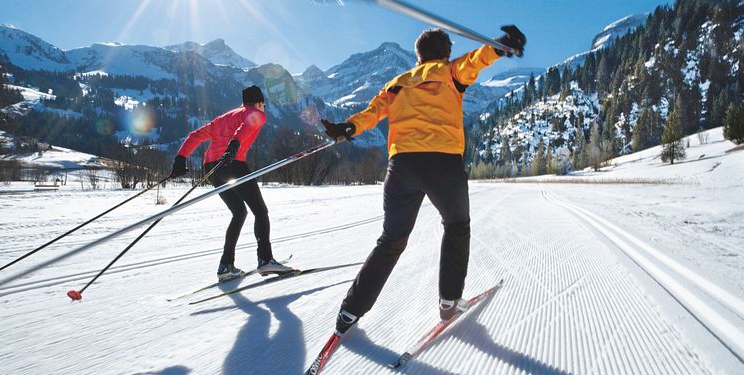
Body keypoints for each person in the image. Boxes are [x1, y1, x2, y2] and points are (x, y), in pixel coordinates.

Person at [320, 26, 526, 333]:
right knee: (457, 227)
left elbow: (371, 114)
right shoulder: (451, 72)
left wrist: (346, 128)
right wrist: (502, 46)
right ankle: (449, 302)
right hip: (443, 163)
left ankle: (350, 312)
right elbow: (477, 60)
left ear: (418, 56)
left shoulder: (397, 84)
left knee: (391, 240)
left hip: (402, 165)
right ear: (445, 53)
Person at [170, 85, 294, 281]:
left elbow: (195, 135)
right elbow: (246, 127)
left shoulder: (225, 117)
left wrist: (180, 158)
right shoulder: (257, 113)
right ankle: (265, 260)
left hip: (211, 167)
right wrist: (234, 145)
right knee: (260, 212)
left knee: (239, 212)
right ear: (260, 102)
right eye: (264, 104)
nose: (264, 108)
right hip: (232, 163)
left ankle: (226, 265)